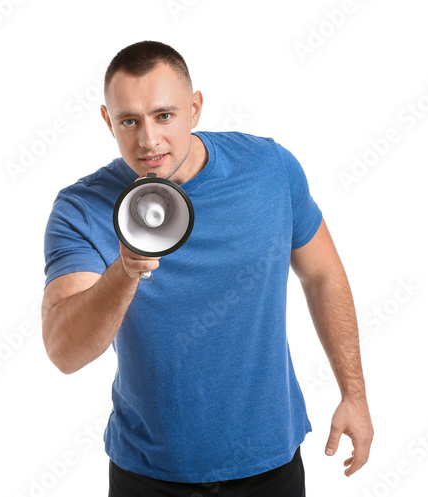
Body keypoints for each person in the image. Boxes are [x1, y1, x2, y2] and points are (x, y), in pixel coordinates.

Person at [41, 40, 374, 497]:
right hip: (149, 474)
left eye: (164, 115)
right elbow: (64, 351)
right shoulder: (82, 208)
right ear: (108, 122)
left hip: (269, 464)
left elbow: (323, 275)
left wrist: (353, 394)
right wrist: (126, 269)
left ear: (194, 109)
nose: (148, 140)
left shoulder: (269, 169)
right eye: (129, 121)